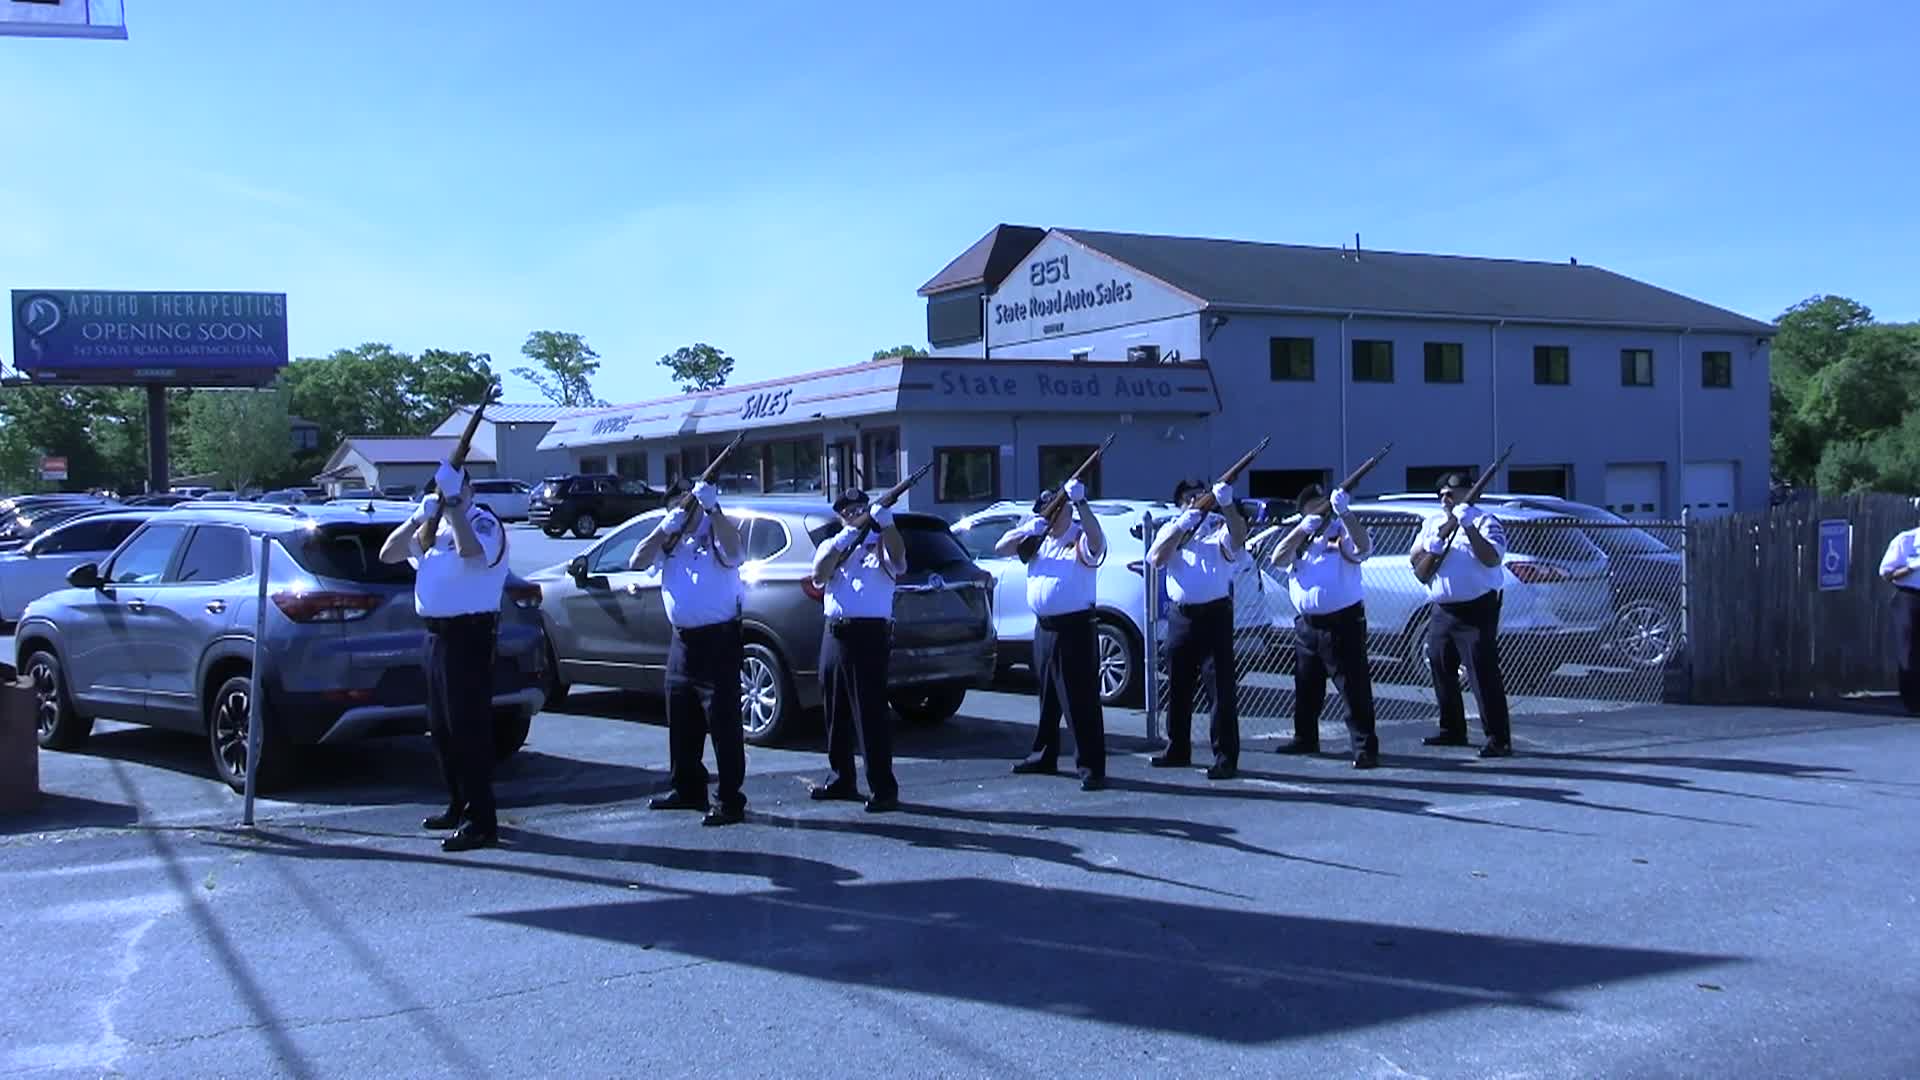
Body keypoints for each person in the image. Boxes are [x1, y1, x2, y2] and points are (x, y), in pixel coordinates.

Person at [379, 460, 511, 852]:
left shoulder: (482, 522)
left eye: (457, 491)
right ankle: (458, 804)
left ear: (468, 490)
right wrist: (420, 515)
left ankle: (482, 821)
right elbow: (388, 553)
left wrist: (453, 506)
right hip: (436, 637)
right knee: (442, 730)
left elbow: (473, 554)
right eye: (442, 493)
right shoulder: (432, 531)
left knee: (469, 730)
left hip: (470, 636)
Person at [628, 477, 749, 826]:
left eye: (684, 504)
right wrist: (663, 530)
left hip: (720, 640)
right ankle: (687, 787)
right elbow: (637, 561)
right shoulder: (670, 537)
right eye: (674, 507)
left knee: (724, 724)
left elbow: (737, 551)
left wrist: (714, 508)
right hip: (682, 641)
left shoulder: (716, 529)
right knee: (680, 717)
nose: (681, 511)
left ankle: (729, 798)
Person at [996, 478, 1108, 791]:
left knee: (1080, 701)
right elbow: (1001, 547)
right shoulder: (1038, 539)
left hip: (1075, 628)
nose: (1054, 515)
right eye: (1049, 510)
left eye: (1059, 509)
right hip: (1044, 628)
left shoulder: (1079, 537)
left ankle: (1091, 767)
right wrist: (1027, 530)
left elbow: (1097, 542)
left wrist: (1082, 503)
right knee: (1048, 699)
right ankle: (1043, 755)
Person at [808, 488, 906, 812]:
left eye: (857, 508)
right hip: (834, 633)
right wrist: (844, 538)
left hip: (869, 636)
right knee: (834, 711)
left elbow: (900, 562)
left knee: (870, 714)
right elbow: (819, 573)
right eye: (846, 511)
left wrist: (887, 525)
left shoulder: (881, 539)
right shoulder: (832, 543)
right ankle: (841, 778)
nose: (852, 514)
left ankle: (882, 787)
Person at [1269, 483, 1379, 768]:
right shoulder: (1300, 537)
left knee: (1353, 688)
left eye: (1324, 504)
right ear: (1305, 512)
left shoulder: (1342, 529)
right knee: (1306, 687)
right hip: (1307, 626)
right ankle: (1305, 737)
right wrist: (1303, 529)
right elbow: (1277, 558)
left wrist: (1345, 512)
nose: (1323, 510)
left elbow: (1363, 548)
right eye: (1315, 506)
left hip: (1342, 623)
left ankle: (1364, 746)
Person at [1146, 476, 1248, 779]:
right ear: (1180, 502)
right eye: (1188, 497)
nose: (1195, 501)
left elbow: (1238, 538)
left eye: (1199, 495)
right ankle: (1177, 748)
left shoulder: (1218, 526)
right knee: (1178, 686)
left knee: (1220, 691)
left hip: (1215, 615)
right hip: (1181, 617)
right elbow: (1156, 558)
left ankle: (1225, 756)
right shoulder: (1171, 528)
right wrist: (1180, 527)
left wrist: (1227, 504)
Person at [1409, 473, 1513, 757]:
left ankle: (1498, 738)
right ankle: (1451, 729)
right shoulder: (1432, 523)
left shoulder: (1485, 521)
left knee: (1482, 674)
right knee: (1441, 668)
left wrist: (1468, 526)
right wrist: (1430, 546)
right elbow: (1415, 560)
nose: (1446, 498)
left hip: (1477, 609)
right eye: (1442, 494)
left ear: (1468, 492)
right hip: (1442, 610)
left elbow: (1492, 558)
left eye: (1452, 493)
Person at [1879, 523, 1920, 714]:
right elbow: (1887, 574)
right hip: (1910, 597)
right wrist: (1912, 567)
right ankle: (1912, 702)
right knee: (1909, 649)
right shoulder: (1906, 540)